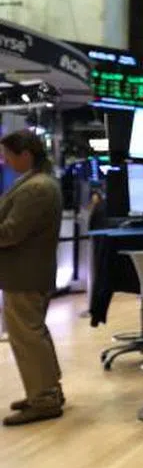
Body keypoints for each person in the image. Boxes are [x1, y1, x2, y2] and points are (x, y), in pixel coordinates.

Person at [0, 130, 64, 426]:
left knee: (27, 338)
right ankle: (46, 391)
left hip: (25, 274)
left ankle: (44, 399)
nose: (5, 161)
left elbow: (12, 231)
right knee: (33, 334)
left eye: (8, 155)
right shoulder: (36, 183)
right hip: (29, 273)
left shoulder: (36, 188)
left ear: (25, 154)